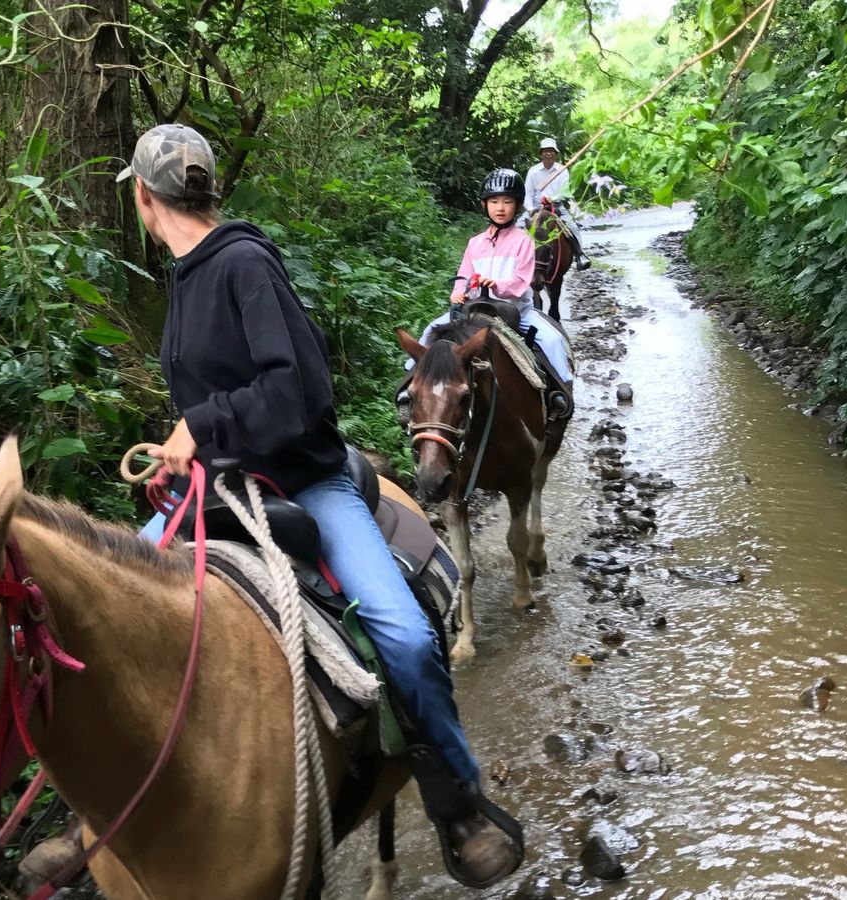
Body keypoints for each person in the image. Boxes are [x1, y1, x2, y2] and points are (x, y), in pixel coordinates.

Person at [119, 123, 521, 886]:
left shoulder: (242, 265)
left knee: (402, 636)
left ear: (144, 198)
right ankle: (100, 814)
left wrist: (199, 426)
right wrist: (191, 450)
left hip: (304, 479)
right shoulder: (183, 274)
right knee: (104, 607)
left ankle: (458, 799)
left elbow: (299, 393)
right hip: (219, 485)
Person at [401, 168, 573, 419]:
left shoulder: (524, 240)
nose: (500, 208)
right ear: (485, 205)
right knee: (430, 331)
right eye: (494, 202)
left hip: (516, 311)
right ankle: (411, 386)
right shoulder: (475, 243)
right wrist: (458, 293)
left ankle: (560, 393)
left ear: (516, 206)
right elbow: (463, 276)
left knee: (553, 340)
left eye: (507, 202)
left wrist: (496, 285)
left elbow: (520, 281)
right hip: (475, 311)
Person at [518, 137, 591, 270]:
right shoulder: (533, 171)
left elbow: (565, 191)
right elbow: (527, 194)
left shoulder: (562, 170)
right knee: (517, 228)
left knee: (572, 227)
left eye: (551, 151)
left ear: (555, 154)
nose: (548, 153)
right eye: (545, 151)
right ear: (541, 154)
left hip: (556, 207)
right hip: (535, 208)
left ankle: (579, 256)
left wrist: (553, 198)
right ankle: (512, 259)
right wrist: (529, 209)